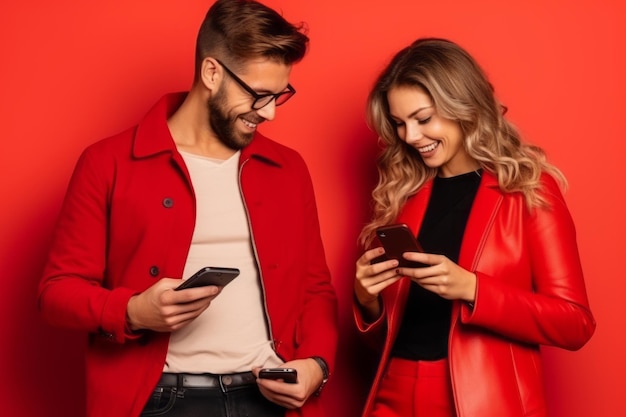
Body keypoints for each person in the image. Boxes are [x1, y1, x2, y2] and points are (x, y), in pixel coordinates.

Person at [38, 1, 338, 417]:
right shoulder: (107, 162)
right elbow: (56, 291)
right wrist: (133, 311)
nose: (268, 112)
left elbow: (315, 288)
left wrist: (317, 365)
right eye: (258, 94)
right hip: (161, 400)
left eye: (279, 95)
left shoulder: (288, 168)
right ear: (212, 73)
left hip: (267, 398)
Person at [353, 38, 595, 417]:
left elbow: (575, 323)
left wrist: (473, 289)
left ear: (462, 106)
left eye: (423, 118)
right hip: (393, 393)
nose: (410, 137)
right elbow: (390, 336)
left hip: (481, 398)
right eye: (399, 124)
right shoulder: (403, 194)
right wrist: (367, 302)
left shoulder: (526, 190)